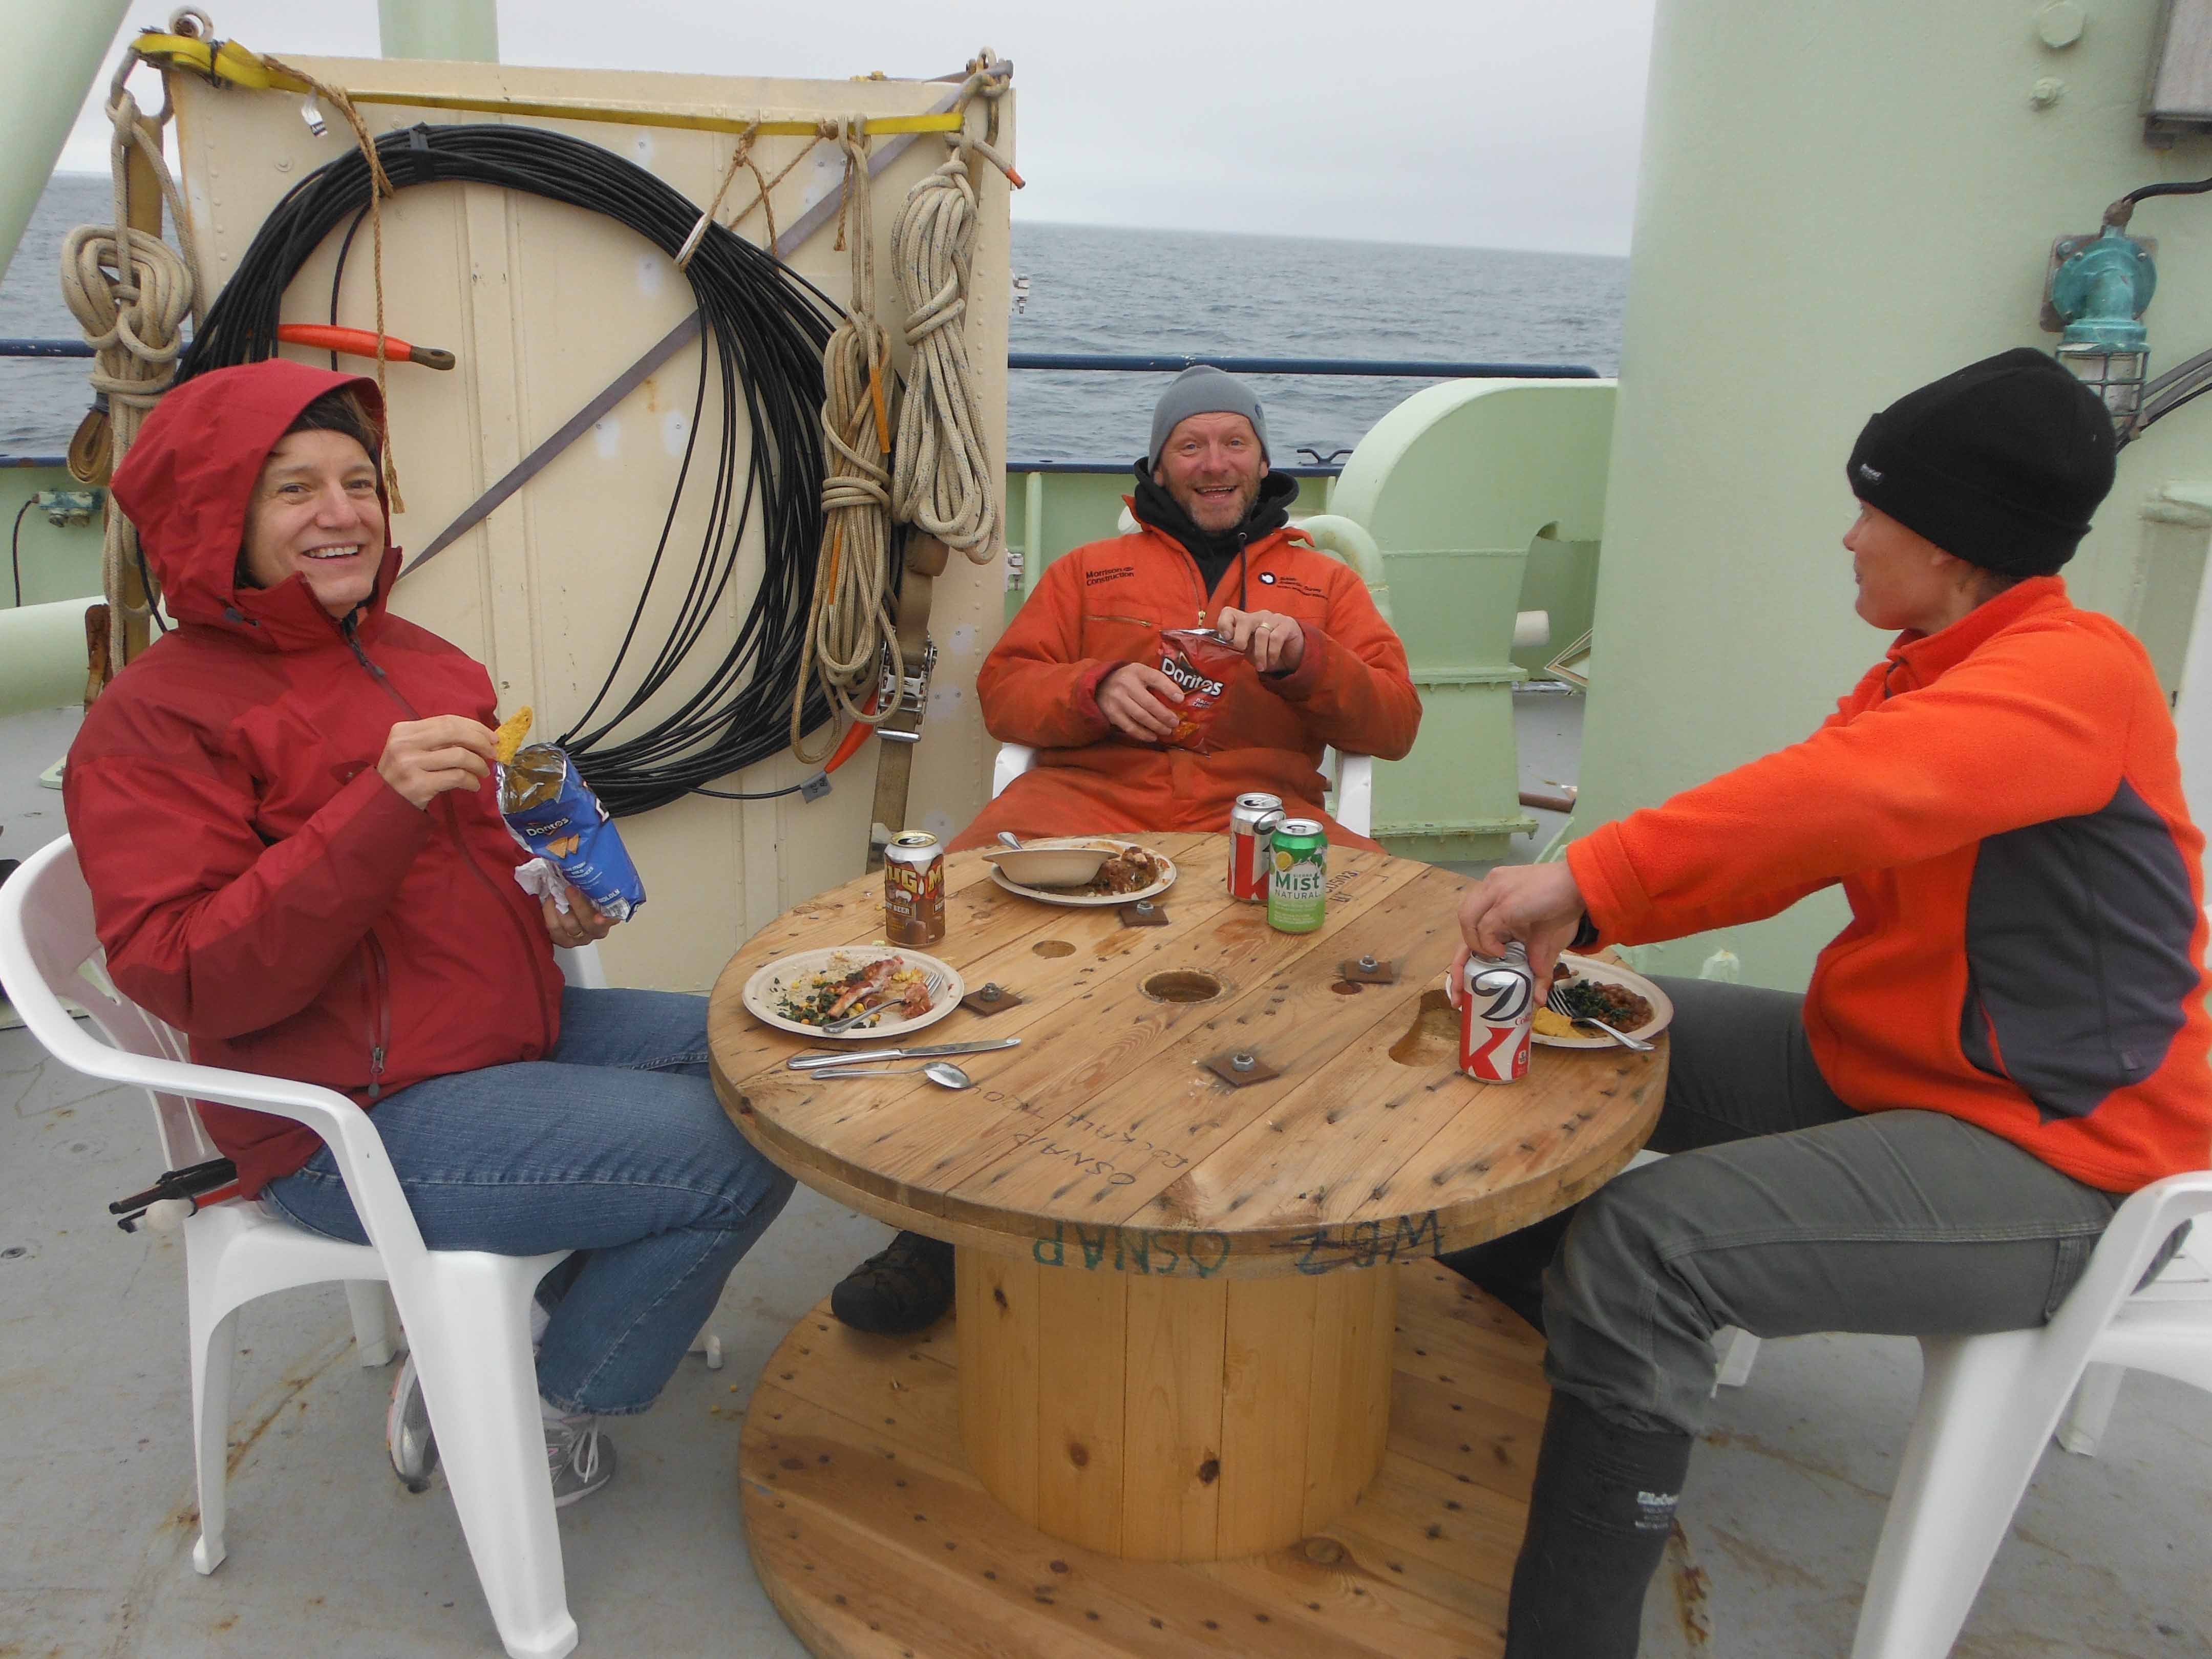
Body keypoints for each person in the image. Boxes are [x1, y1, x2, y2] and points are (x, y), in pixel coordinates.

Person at [1437, 347, 2212, 1655]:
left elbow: (1847, 798)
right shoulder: (1933, 667)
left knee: (1649, 1245)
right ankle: (1589, 1360)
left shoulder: (2076, 676)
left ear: (1951, 541)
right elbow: (1799, 832)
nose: (1850, 537)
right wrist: (1596, 919)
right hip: (1895, 1065)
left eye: (1873, 510)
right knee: (1547, 1038)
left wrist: (1590, 872)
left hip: (2064, 1152)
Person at [63, 358, 795, 1505]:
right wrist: (378, 802)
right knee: (733, 1150)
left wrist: (556, 898)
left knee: (783, 1073)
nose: (343, 512)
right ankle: (544, 1405)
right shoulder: (153, 721)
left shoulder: (422, 660)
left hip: (494, 1034)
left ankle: (516, 1334)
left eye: (359, 482)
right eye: (294, 488)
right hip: (341, 1116)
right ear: (218, 521)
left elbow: (482, 858)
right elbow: (188, 972)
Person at [830, 366, 1423, 1335]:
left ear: (1264, 461)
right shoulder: (1087, 572)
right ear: (1158, 464)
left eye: (1233, 442)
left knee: (1391, 955)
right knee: (946, 937)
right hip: (1083, 802)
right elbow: (1004, 693)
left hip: (1258, 816)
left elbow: (1394, 723)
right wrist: (1095, 688)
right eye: (1191, 445)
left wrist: (1306, 656)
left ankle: (1326, 1192)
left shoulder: (1324, 583)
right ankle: (938, 1228)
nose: (1214, 462)